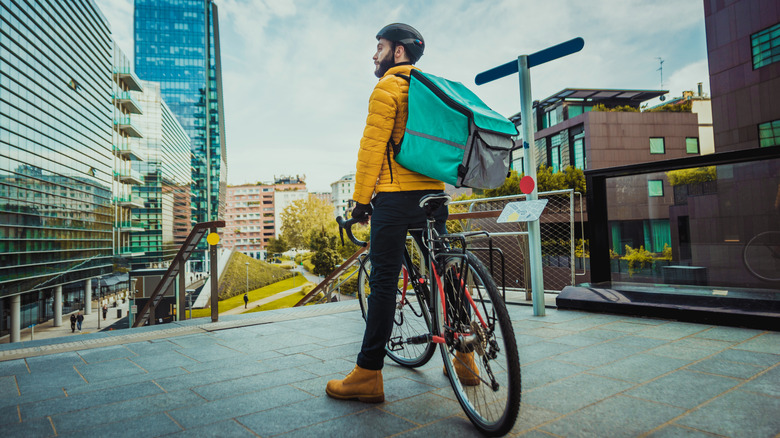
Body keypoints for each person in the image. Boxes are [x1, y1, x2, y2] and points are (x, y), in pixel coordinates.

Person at [325, 23, 451, 404]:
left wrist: (361, 204)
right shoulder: (433, 89)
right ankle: (465, 360)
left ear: (398, 52)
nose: (374, 55)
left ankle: (367, 374)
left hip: (396, 200)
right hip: (435, 197)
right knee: (442, 273)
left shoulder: (387, 87)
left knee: (383, 283)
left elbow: (371, 151)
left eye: (379, 47)